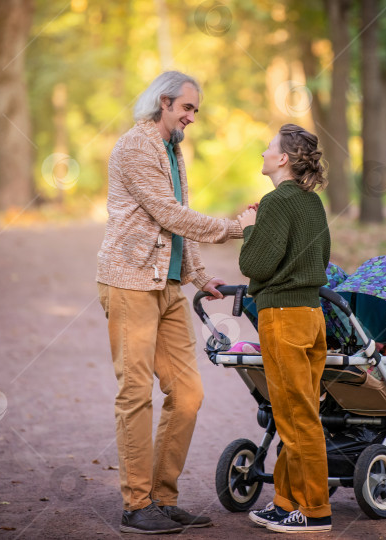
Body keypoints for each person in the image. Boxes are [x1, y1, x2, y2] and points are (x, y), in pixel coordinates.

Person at [96, 70, 255, 535]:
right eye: (187, 108)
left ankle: (162, 500)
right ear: (163, 102)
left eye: (195, 111)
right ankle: (135, 505)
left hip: (167, 288)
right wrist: (233, 227)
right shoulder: (136, 146)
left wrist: (199, 276)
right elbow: (169, 213)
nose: (192, 117)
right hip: (129, 283)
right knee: (135, 394)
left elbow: (178, 220)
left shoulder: (174, 148)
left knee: (188, 394)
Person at [238, 124, 332, 533]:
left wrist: (247, 228)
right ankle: (285, 502)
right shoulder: (312, 204)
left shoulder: (276, 202)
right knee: (296, 414)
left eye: (269, 147)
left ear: (283, 159)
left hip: (283, 318)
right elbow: (320, 258)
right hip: (312, 318)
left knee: (297, 419)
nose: (262, 151)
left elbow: (254, 266)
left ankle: (314, 511)